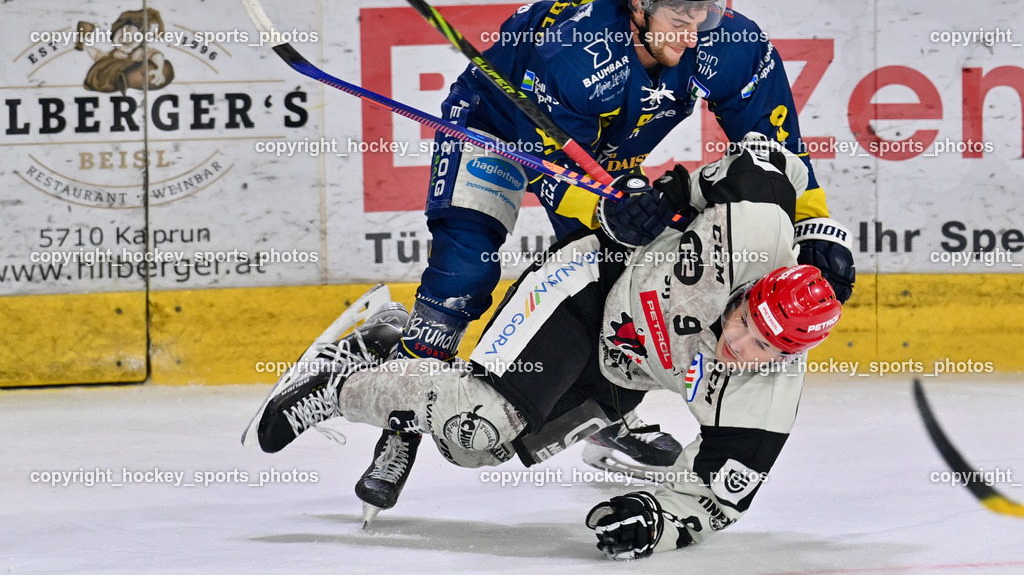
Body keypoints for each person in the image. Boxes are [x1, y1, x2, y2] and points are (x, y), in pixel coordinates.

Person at [356, 0, 856, 521]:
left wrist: (815, 225)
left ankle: (611, 416)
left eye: (705, 8)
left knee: (614, 273)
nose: (694, 28)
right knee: (462, 273)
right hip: (499, 128)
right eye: (679, 11)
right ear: (639, 2)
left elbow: (772, 152)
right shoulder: (578, 54)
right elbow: (551, 173)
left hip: (604, 151)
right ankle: (401, 411)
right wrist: (605, 206)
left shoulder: (731, 42)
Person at [253, 134, 843, 559]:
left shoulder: (764, 401)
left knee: (468, 448)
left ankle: (387, 343)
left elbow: (715, 499)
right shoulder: (757, 228)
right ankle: (338, 383)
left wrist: (659, 521)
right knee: (479, 419)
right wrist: (673, 196)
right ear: (753, 288)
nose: (737, 342)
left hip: (619, 375)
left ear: (787, 358)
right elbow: (768, 154)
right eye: (743, 317)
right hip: (590, 287)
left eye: (762, 347)